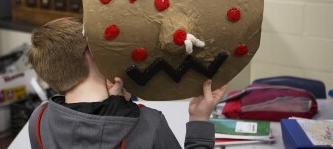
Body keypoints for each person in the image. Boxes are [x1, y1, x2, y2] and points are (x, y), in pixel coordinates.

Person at [27, 17, 224, 148]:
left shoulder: (40, 120)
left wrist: (115, 104)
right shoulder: (148, 124)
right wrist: (199, 121)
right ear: (93, 52)